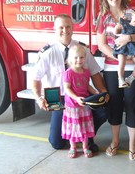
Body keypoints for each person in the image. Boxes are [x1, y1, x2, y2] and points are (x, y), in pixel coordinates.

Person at [32, 14, 108, 152]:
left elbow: (95, 73)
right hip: (57, 97)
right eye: (61, 27)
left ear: (73, 28)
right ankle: (72, 133)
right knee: (57, 143)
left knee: (103, 112)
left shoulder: (83, 50)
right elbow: (35, 78)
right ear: (54, 29)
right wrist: (39, 98)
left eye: (68, 26)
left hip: (82, 95)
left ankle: (87, 136)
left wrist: (103, 92)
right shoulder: (47, 52)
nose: (65, 30)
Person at [96, 0, 135, 160]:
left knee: (133, 104)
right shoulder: (102, 17)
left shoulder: (132, 12)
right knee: (115, 105)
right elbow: (101, 44)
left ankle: (132, 145)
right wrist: (119, 56)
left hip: (134, 67)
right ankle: (115, 141)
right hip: (112, 67)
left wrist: (128, 37)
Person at [62, 45, 97, 158]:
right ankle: (72, 147)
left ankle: (85, 147)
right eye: (75, 58)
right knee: (74, 127)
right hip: (72, 106)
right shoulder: (68, 73)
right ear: (70, 59)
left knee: (84, 127)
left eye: (81, 57)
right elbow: (67, 88)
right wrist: (76, 98)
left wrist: (95, 92)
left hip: (84, 105)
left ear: (85, 57)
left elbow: (87, 86)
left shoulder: (86, 72)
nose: (79, 60)